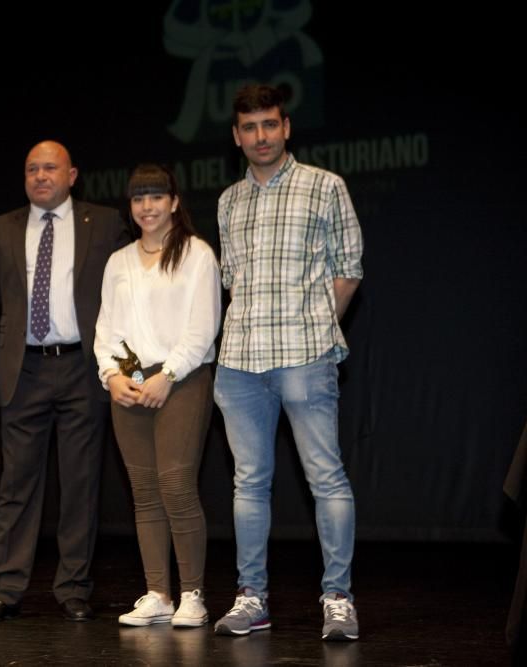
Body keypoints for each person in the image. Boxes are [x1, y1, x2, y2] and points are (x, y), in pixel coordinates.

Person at [212, 83, 363, 641]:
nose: (260, 136)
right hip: (240, 361)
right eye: (249, 128)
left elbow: (349, 269)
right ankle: (252, 598)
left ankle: (338, 599)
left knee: (326, 477)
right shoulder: (229, 201)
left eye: (269, 124)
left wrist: (318, 330)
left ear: (286, 127)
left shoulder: (325, 187)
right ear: (237, 136)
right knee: (249, 483)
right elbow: (233, 282)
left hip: (305, 355)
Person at [0, 140, 131, 623]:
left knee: (80, 482)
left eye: (50, 168)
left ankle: (74, 588)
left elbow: (128, 292)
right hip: (24, 370)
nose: (41, 176)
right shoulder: (0, 229)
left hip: (83, 367)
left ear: (73, 174)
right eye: (32, 169)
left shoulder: (104, 223)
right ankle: (7, 588)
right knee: (16, 485)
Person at [94, 164, 221, 628]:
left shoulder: (196, 254)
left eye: (155, 197)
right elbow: (107, 329)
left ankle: (193, 594)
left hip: (181, 380)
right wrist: (114, 375)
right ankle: (157, 593)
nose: (146, 207)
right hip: (129, 385)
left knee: (175, 485)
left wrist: (167, 374)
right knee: (145, 492)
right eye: (138, 199)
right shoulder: (119, 261)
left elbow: (203, 326)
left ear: (173, 201)